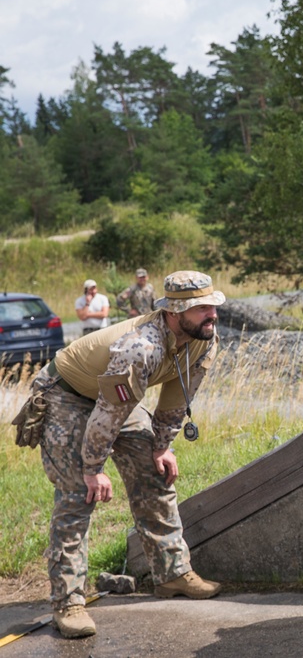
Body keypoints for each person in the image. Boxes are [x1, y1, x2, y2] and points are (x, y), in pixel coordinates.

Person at [25, 271, 226, 639]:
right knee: (77, 495)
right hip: (68, 394)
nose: (211, 314)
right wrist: (92, 468)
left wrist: (162, 445)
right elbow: (107, 415)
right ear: (174, 313)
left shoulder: (204, 337)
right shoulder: (141, 347)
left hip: (114, 400)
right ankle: (68, 603)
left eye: (213, 305)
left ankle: (172, 574)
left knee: (154, 472)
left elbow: (178, 397)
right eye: (201, 308)